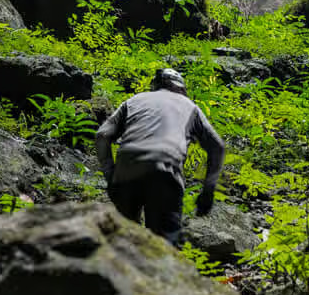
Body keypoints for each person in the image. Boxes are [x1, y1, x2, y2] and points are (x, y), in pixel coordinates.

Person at [94, 68, 224, 245]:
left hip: (126, 172)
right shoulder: (189, 106)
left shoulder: (134, 100)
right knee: (165, 245)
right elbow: (217, 146)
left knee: (123, 242)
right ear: (181, 88)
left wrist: (111, 176)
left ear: (155, 85)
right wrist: (208, 190)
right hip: (164, 171)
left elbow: (102, 136)